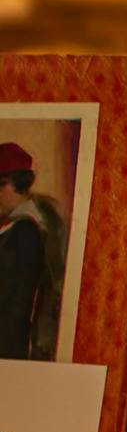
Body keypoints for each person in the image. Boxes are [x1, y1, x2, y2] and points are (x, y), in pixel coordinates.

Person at [0, 142, 67, 360]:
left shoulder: (25, 231)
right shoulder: (13, 225)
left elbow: (16, 308)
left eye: (0, 185)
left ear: (20, 184)